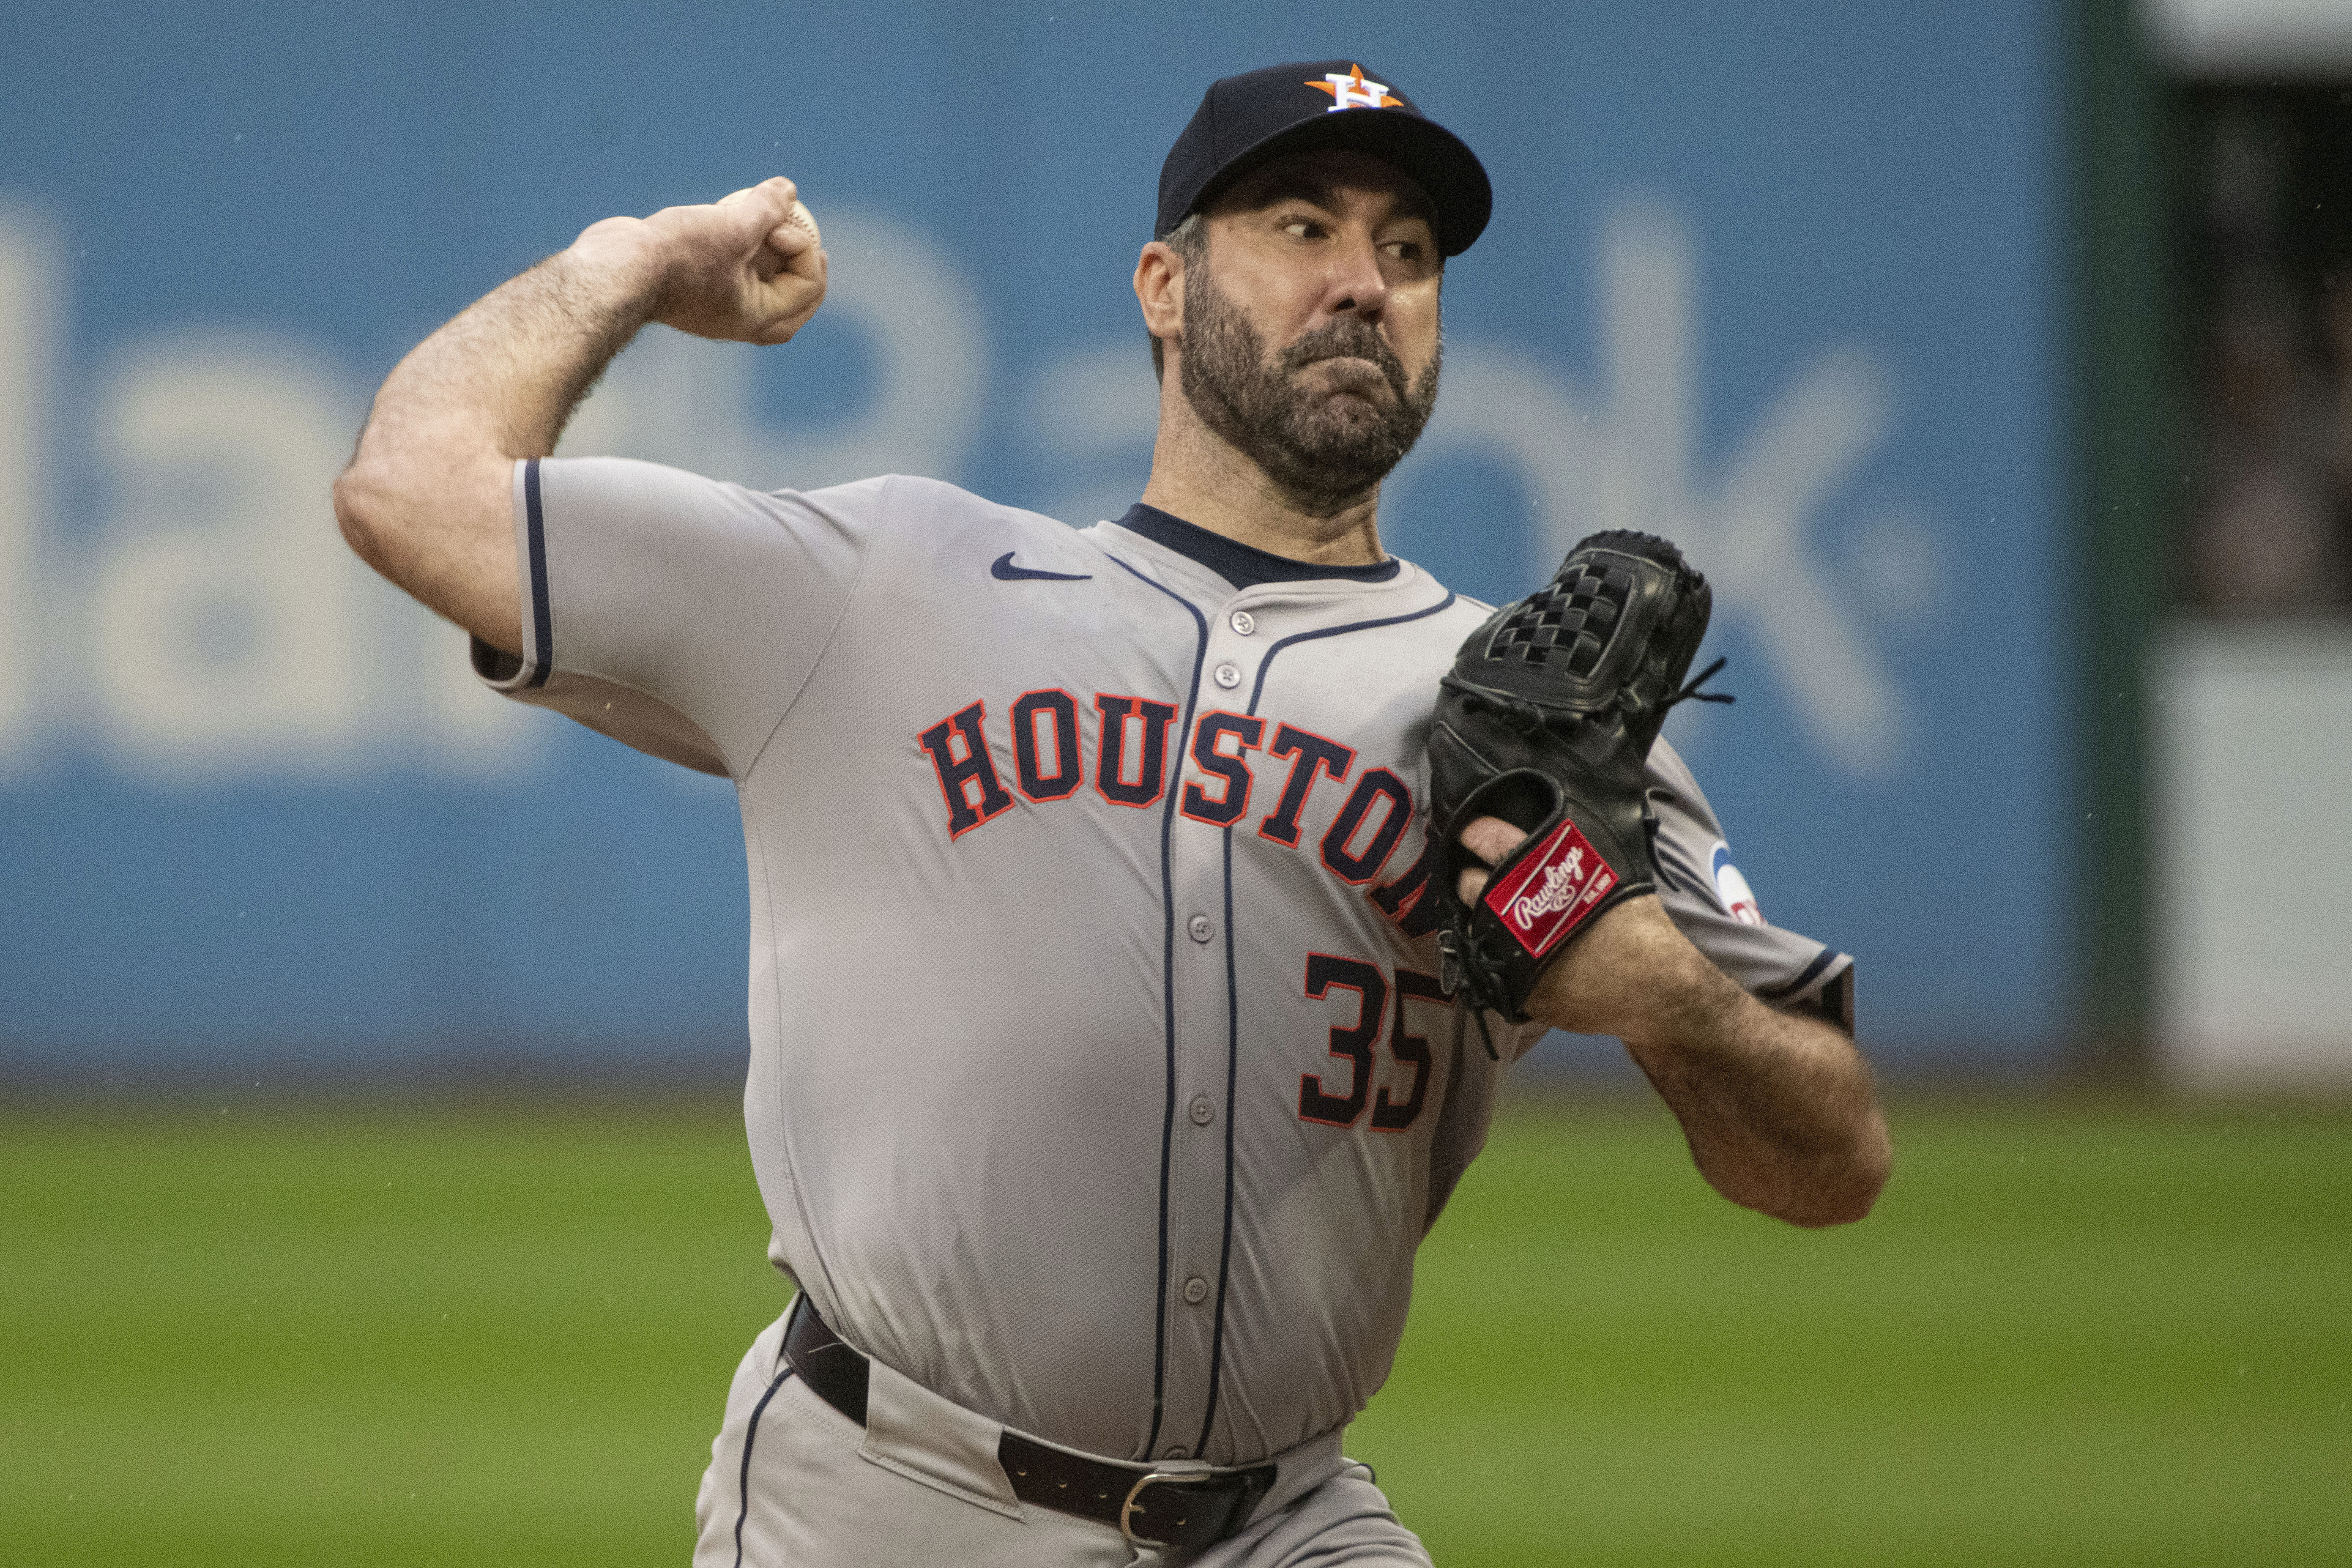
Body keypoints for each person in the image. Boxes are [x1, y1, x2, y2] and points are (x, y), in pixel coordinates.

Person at [334, 58, 1889, 1568]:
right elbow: (410, 490)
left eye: (1405, 252)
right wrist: (632, 264)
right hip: (887, 1503)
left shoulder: (1520, 722)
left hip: (1286, 1525)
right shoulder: (881, 586)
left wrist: (1668, 1002)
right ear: (1163, 284)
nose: (1362, 279)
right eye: (1301, 227)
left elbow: (1831, 1163)